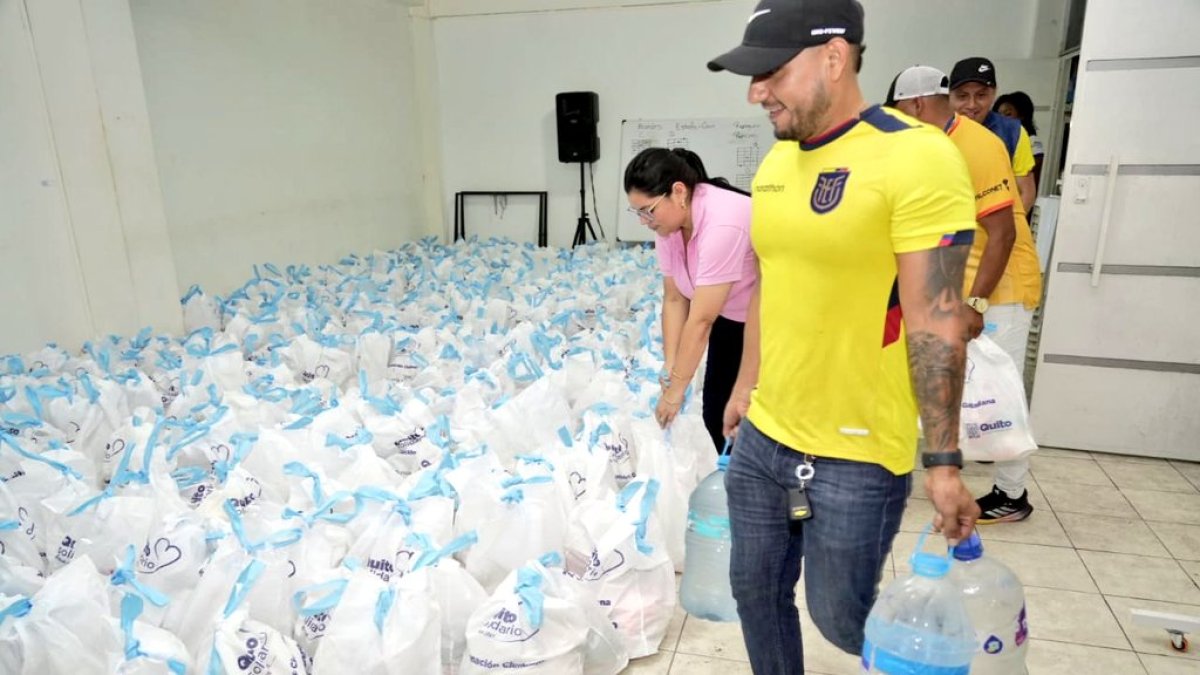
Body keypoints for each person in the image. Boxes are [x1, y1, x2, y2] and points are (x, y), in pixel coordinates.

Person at [707, 1, 981, 672]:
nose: (755, 93)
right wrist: (745, 385)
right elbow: (772, 283)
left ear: (834, 57)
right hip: (766, 434)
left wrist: (943, 463)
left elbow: (937, 316)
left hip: (856, 451)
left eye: (771, 73)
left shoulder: (916, 157)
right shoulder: (777, 164)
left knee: (839, 617)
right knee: (755, 592)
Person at [888, 66, 1043, 523]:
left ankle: (1012, 493)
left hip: (999, 289)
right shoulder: (929, 145)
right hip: (957, 285)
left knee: (1000, 390)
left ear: (916, 105)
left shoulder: (977, 145)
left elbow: (1002, 233)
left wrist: (976, 303)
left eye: (898, 113)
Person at [623, 147, 757, 453]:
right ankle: (730, 472)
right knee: (716, 411)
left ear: (679, 192)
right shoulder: (669, 225)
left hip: (768, 321)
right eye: (637, 212)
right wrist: (671, 367)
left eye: (647, 210)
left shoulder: (722, 223)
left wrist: (675, 395)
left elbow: (701, 320)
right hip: (730, 314)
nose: (643, 221)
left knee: (748, 413)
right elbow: (674, 299)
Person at [949, 57, 1038, 213]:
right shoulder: (935, 131)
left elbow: (1026, 192)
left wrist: (1010, 226)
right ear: (949, 96)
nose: (971, 105)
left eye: (981, 95)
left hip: (996, 224)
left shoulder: (1013, 132)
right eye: (962, 96)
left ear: (994, 93)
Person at [995, 91, 1045, 188]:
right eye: (999, 116)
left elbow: (1031, 172)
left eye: (1008, 114)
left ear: (1022, 115)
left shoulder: (1032, 141)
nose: (1002, 120)